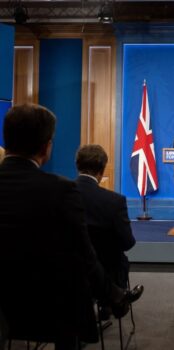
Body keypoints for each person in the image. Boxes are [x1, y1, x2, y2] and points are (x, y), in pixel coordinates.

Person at [0, 104, 143, 349]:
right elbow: (84, 256)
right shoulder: (60, 191)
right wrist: (113, 294)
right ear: (46, 147)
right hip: (50, 309)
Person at [75, 144, 142, 317]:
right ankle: (112, 302)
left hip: (67, 270)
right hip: (107, 269)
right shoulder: (114, 201)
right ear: (102, 169)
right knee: (116, 260)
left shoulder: (60, 194)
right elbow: (128, 243)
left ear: (77, 165)